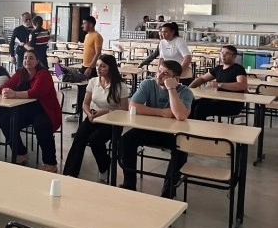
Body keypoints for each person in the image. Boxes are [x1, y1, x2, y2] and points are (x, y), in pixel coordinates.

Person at [119, 60, 193, 198]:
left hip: (172, 134)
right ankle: (129, 184)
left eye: (165, 74)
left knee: (181, 151)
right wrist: (162, 113)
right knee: (126, 140)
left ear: (176, 79)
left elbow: (180, 115)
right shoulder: (148, 84)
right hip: (148, 129)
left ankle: (168, 192)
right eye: (159, 71)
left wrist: (171, 89)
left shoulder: (185, 92)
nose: (159, 76)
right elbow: (133, 106)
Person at [63, 54, 129, 180]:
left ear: (111, 68)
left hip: (113, 121)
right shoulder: (93, 81)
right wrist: (89, 114)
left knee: (95, 139)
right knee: (79, 137)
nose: (98, 68)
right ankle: (70, 173)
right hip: (94, 116)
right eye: (97, 65)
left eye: (103, 66)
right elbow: (85, 103)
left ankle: (105, 166)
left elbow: (124, 110)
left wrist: (105, 112)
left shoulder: (120, 86)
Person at [0, 49, 62, 171]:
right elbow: (5, 86)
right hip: (28, 109)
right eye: (25, 58)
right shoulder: (21, 73)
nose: (27, 60)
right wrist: (5, 91)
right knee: (6, 120)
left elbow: (36, 92)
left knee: (41, 124)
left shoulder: (43, 74)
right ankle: (20, 152)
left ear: (37, 61)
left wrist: (14, 94)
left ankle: (50, 163)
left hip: (45, 109)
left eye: (31, 58)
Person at [189, 45, 246, 120]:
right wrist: (189, 88)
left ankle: (200, 127)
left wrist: (219, 85)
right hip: (218, 99)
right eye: (222, 53)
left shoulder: (238, 69)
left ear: (234, 56)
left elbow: (242, 85)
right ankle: (190, 126)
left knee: (200, 108)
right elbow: (202, 79)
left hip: (232, 103)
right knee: (193, 104)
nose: (223, 55)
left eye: (227, 53)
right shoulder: (218, 68)